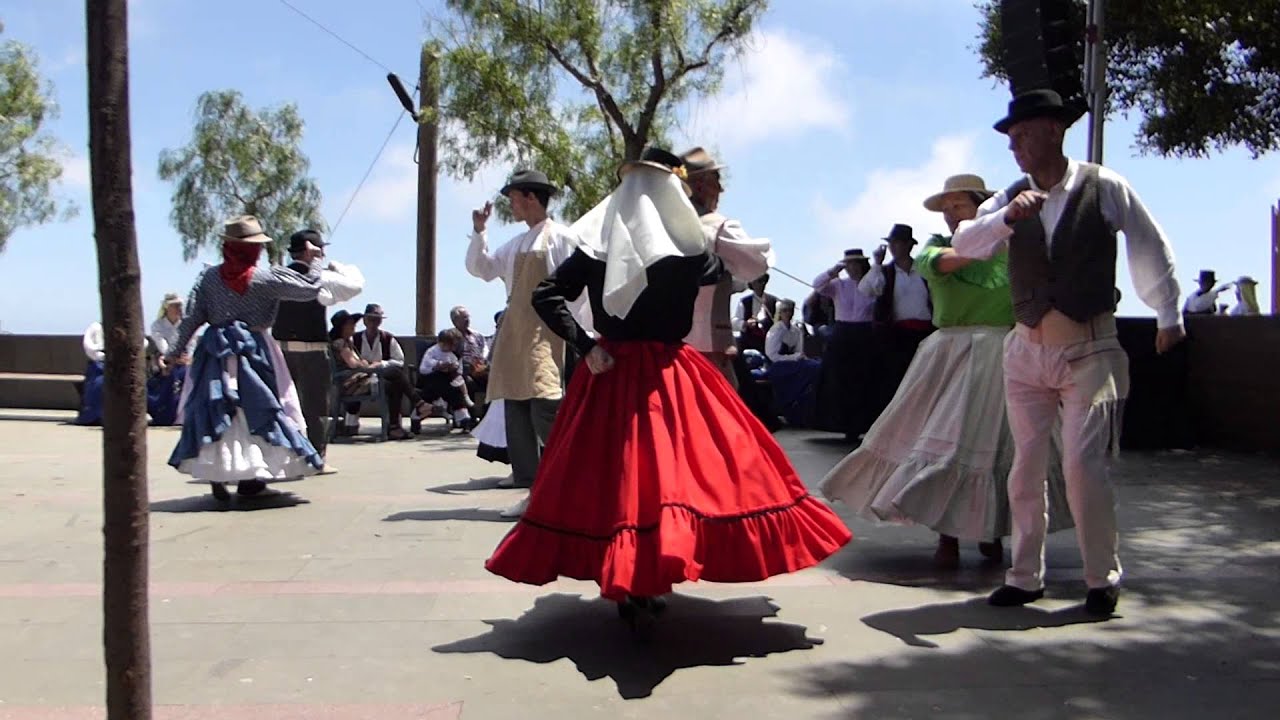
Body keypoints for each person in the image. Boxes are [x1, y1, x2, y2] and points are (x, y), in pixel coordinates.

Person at [484, 148, 851, 628]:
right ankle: (649, 571)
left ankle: (635, 574)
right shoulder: (691, 247)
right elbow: (745, 268)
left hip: (612, 369)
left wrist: (585, 345)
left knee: (618, 476)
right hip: (669, 371)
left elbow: (544, 294)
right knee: (678, 472)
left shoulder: (600, 244)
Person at [952, 89, 1185, 615]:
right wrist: (1005, 217)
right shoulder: (1010, 196)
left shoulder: (1103, 187)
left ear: (1054, 130)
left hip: (1089, 348)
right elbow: (966, 244)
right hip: (1027, 350)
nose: (1015, 147)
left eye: (1023, 135)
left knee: (1083, 467)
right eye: (1010, 140)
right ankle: (1024, 576)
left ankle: (1101, 577)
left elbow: (1149, 244)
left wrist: (1167, 312)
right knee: (1025, 466)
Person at [821, 174, 1072, 568]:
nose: (952, 216)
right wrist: (993, 231)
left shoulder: (1016, 249)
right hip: (950, 353)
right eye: (947, 209)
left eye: (960, 206)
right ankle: (948, 534)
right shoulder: (937, 250)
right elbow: (951, 262)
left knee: (1006, 446)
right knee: (947, 441)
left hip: (1006, 352)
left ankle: (992, 531)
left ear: (980, 206)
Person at [166, 215, 326, 501]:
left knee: (219, 408)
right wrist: (315, 260)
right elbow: (309, 290)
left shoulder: (208, 278)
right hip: (255, 350)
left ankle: (218, 474)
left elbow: (191, 319)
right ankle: (250, 479)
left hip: (215, 353)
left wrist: (173, 353)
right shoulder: (265, 278)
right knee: (258, 407)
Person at [466, 169, 581, 517]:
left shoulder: (561, 237)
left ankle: (572, 483)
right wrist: (479, 231)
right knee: (515, 406)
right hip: (516, 331)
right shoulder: (516, 243)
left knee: (544, 404)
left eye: (514, 197)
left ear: (530, 197)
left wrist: (575, 334)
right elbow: (482, 268)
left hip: (547, 333)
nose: (511, 205)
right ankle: (532, 488)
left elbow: (576, 291)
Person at [679, 147, 774, 390]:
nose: (721, 190)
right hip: (710, 346)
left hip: (670, 347)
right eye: (716, 182)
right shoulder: (718, 227)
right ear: (699, 186)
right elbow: (757, 265)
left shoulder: (662, 224)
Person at [273, 229, 364, 464]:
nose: (323, 253)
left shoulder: (277, 276)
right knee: (316, 407)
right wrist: (337, 267)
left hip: (281, 350)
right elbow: (355, 285)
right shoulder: (322, 277)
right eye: (320, 250)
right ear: (311, 250)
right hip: (312, 351)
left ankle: (285, 454)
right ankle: (316, 456)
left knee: (283, 404)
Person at [863, 224, 935, 412]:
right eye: (892, 243)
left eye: (898, 243)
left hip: (925, 332)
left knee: (924, 380)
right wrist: (877, 264)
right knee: (895, 380)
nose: (894, 247)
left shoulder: (923, 269)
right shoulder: (886, 272)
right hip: (896, 334)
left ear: (909, 246)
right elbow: (866, 290)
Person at [329, 310, 431, 440]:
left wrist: (368, 364)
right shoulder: (341, 343)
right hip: (354, 384)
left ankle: (400, 422)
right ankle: (416, 406)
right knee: (395, 374)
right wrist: (367, 365)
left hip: (362, 379)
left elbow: (399, 360)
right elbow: (353, 364)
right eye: (351, 324)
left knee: (395, 381)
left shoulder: (381, 339)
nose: (354, 326)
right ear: (343, 326)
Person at [812, 248, 879, 438]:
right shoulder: (838, 285)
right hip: (843, 332)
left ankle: (863, 423)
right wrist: (834, 270)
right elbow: (817, 285)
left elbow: (880, 289)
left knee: (864, 380)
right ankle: (842, 423)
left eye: (855, 264)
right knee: (840, 380)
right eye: (849, 264)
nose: (852, 268)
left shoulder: (871, 283)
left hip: (865, 332)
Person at [763, 299, 821, 427]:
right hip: (778, 365)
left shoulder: (796, 330)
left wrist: (798, 357)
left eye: (790, 310)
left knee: (817, 366)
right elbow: (772, 354)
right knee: (811, 368)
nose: (788, 313)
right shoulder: (776, 330)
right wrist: (793, 357)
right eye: (785, 311)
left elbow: (799, 350)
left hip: (794, 364)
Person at [416, 328, 475, 430]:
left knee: (454, 386)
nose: (451, 348)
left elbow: (459, 370)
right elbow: (423, 369)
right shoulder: (432, 352)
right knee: (443, 380)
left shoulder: (453, 355)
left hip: (450, 381)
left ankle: (461, 414)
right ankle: (460, 414)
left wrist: (453, 367)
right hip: (430, 380)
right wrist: (437, 366)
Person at [734, 273, 779, 353]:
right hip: (749, 343)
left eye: (764, 281)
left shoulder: (774, 301)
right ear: (752, 283)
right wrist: (746, 324)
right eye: (759, 281)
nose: (762, 284)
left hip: (768, 344)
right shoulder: (745, 302)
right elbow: (734, 322)